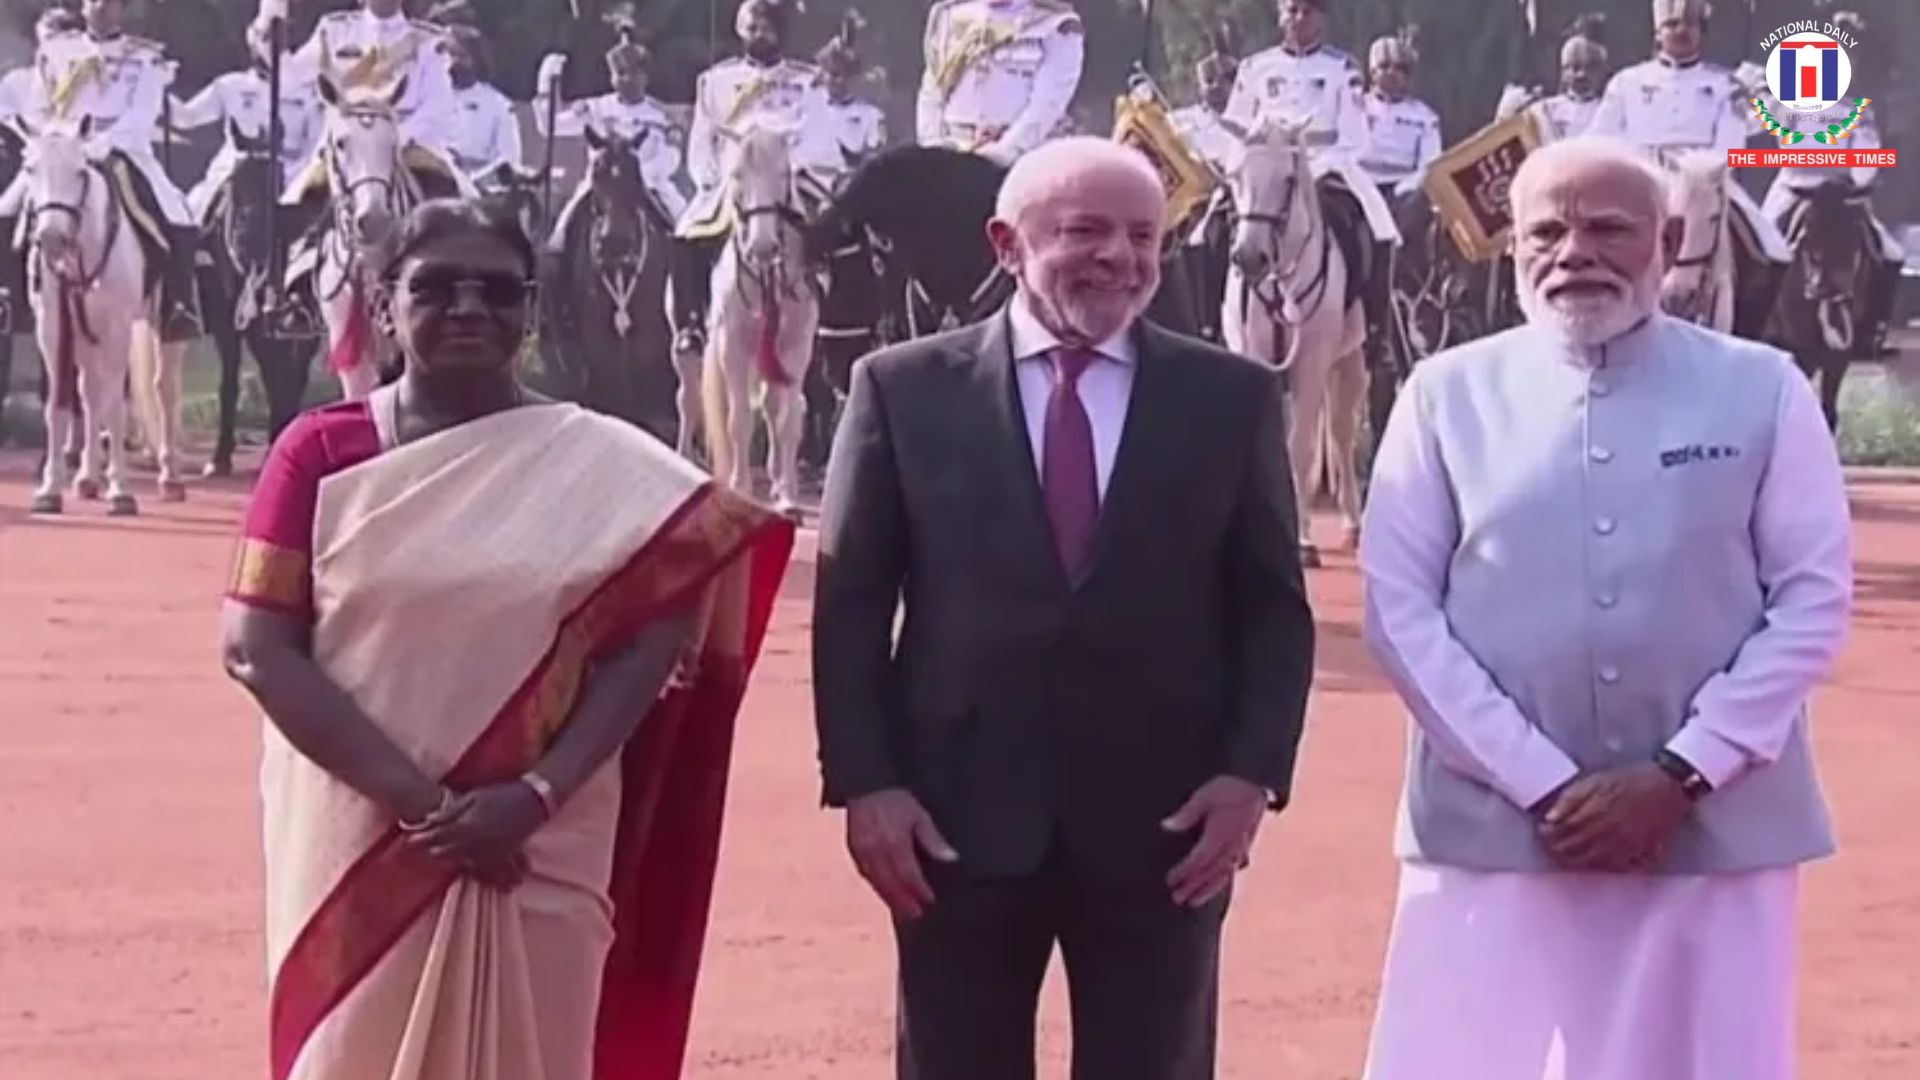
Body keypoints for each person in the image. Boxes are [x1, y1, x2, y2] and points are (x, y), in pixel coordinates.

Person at [220, 198, 795, 1080]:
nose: (468, 309)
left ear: (528, 309)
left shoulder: (603, 463)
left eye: (497, 291)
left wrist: (534, 793)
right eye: (437, 287)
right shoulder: (321, 452)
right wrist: (425, 806)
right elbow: (257, 648)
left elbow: (657, 634)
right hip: (361, 829)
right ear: (383, 306)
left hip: (542, 833)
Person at [812, 136, 1317, 1080]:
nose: (1120, 258)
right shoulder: (899, 388)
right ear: (1007, 243)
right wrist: (866, 783)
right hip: (950, 822)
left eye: (1142, 236)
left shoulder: (1234, 396)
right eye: (1087, 232)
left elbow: (1272, 610)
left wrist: (1251, 775)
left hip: (1166, 827)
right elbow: (850, 605)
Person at [1355, 134, 1852, 1080]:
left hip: (1714, 826)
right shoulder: (1444, 395)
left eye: (1608, 228)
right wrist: (1540, 782)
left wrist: (1681, 775)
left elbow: (1813, 601)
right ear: (1512, 249)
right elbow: (1399, 609)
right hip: (1494, 826)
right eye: (1546, 231)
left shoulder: (1764, 388)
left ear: (1668, 239)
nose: (1573, 251)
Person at [1224, 0, 1400, 399]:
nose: (1298, 18)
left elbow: (1354, 136)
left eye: (1308, 10)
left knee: (1379, 226)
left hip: (1322, 168)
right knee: (1207, 227)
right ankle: (1207, 327)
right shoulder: (1254, 67)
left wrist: (1311, 167)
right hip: (1263, 167)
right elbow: (1235, 126)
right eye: (1291, 10)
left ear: (1323, 16)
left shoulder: (1343, 70)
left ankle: (1376, 333)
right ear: (1279, 14)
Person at [1586, 0, 1788, 337]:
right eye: (1672, 25)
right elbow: (1602, 136)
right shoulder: (1627, 82)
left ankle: (1752, 332)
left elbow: (1730, 143)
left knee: (1773, 248)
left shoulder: (1724, 84)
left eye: (1689, 25)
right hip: (1642, 181)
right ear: (1658, 32)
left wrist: (1700, 175)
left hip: (1705, 183)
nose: (1680, 32)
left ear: (1701, 32)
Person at [670, 0, 837, 364]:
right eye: (753, 28)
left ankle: (837, 325)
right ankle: (691, 325)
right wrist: (717, 180)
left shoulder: (807, 81)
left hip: (790, 179)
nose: (761, 35)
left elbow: (819, 138)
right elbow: (702, 145)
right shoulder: (714, 82)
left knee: (838, 234)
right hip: (735, 182)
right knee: (685, 234)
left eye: (768, 28)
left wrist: (789, 174)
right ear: (740, 30)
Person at [24, 0, 201, 340]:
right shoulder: (56, 51)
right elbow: (38, 109)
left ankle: (178, 306)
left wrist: (98, 145)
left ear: (122, 8)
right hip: (62, 154)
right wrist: (61, 143)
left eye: (112, 2)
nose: (103, 7)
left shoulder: (144, 57)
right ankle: (13, 295)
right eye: (95, 1)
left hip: (123, 152)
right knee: (14, 210)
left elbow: (141, 115)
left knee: (178, 214)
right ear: (84, 5)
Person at [1757, 9, 1905, 358]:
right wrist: (1754, 90)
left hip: (1841, 194)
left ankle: (1872, 329)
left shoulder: (1857, 110)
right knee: (1762, 245)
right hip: (1793, 186)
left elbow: (1866, 155)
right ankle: (1760, 325)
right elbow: (1754, 121)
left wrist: (1855, 180)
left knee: (1890, 253)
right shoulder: (1788, 104)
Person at [249, 0, 469, 202]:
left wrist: (387, 140)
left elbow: (438, 107)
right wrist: (272, 47)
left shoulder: (426, 40)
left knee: (468, 206)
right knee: (292, 205)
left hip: (411, 146)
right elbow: (291, 81)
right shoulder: (335, 30)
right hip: (344, 146)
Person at [535, 30, 687, 250]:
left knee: (685, 227)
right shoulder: (596, 108)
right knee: (560, 236)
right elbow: (550, 126)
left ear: (646, 76)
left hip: (651, 183)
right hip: (600, 182)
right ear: (611, 77)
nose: (627, 79)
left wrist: (642, 174)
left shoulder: (662, 115)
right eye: (620, 73)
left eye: (634, 73)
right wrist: (546, 82)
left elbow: (672, 157)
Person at [170, 35, 323, 224]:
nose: (272, 47)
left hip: (287, 181)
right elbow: (186, 118)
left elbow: (314, 149)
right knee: (187, 217)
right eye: (265, 39)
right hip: (230, 177)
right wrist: (157, 84)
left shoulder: (308, 94)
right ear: (253, 43)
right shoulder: (231, 85)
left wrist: (293, 183)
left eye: (278, 40)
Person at [915, 0, 1084, 166]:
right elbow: (934, 89)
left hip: (1023, 160)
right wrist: (934, 148)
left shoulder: (1057, 24)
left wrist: (1005, 151)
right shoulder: (950, 15)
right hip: (953, 152)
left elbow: (1048, 103)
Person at [1360, 31, 1441, 200]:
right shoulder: (1353, 106)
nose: (1391, 72)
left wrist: (1403, 189)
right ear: (1372, 72)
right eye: (1384, 66)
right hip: (1357, 185)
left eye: (1399, 68)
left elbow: (1430, 164)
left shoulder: (1425, 117)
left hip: (1402, 188)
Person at [816, 11, 889, 188]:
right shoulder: (807, 108)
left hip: (847, 188)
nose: (831, 80)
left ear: (853, 78)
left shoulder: (871, 116)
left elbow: (874, 160)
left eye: (838, 75)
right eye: (827, 73)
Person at [440, 24, 521, 184]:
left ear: (475, 59)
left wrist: (467, 179)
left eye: (459, 55)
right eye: (447, 54)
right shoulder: (428, 95)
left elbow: (509, 162)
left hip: (476, 191)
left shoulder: (497, 104)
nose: (451, 62)